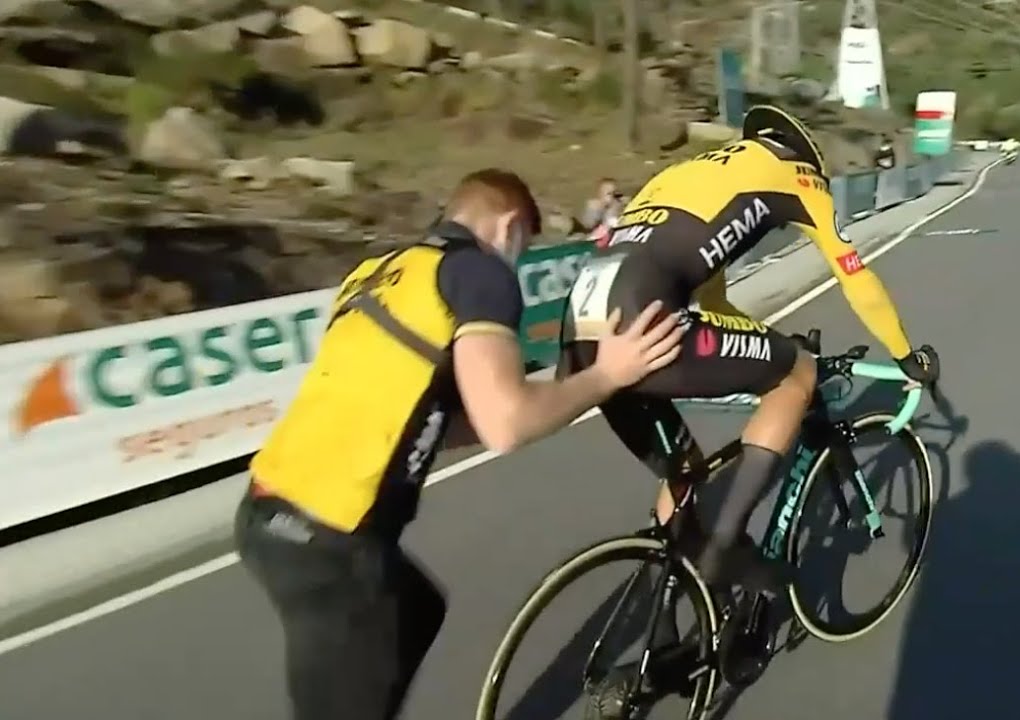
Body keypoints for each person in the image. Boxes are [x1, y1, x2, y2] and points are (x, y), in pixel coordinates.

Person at [233, 168, 688, 720]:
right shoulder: (479, 274)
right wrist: (606, 376)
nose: (517, 261)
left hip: (265, 515)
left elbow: (415, 415)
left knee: (417, 610)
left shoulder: (378, 274)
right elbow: (506, 425)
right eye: (522, 247)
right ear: (509, 226)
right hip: (333, 544)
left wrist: (558, 394)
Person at [559, 105, 940, 598]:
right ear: (804, 156)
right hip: (642, 315)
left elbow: (714, 305)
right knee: (796, 376)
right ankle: (727, 546)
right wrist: (906, 355)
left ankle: (665, 638)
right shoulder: (799, 175)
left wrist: (768, 342)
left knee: (685, 474)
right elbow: (854, 275)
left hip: (580, 329)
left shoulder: (690, 175)